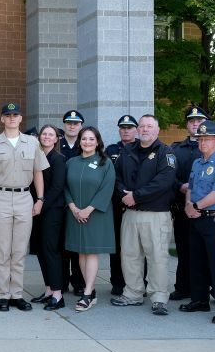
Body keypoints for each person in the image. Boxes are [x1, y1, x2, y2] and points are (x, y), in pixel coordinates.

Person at [0, 103, 48, 312]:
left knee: (18, 250)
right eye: (7, 115)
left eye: (15, 115)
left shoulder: (32, 143)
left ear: (20, 118)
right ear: (2, 119)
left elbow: (38, 172)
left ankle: (16, 294)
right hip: (0, 197)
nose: (11, 118)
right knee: (2, 249)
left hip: (24, 197)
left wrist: (40, 199)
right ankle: (3, 295)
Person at [111, 114, 177, 316]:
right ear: (138, 130)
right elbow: (115, 176)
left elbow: (164, 181)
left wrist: (136, 196)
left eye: (150, 126)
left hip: (156, 214)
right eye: (142, 126)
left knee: (157, 257)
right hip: (130, 213)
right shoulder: (127, 151)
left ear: (157, 130)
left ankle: (159, 297)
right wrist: (124, 195)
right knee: (129, 256)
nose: (145, 129)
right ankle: (133, 294)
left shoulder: (166, 153)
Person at [180, 120, 215, 324]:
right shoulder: (197, 163)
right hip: (196, 218)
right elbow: (191, 188)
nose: (203, 143)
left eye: (207, 139)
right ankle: (200, 299)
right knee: (197, 260)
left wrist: (195, 207)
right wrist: (189, 205)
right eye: (200, 139)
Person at [64, 126, 116, 312]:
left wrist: (88, 209)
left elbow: (107, 188)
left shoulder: (105, 162)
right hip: (75, 214)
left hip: (95, 215)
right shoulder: (71, 162)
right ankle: (90, 290)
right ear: (79, 141)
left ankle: (86, 294)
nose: (87, 142)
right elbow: (65, 187)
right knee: (81, 252)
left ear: (98, 142)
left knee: (91, 252)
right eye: (84, 139)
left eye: (91, 139)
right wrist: (73, 208)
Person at [170, 106, 209, 301]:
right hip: (181, 209)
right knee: (183, 250)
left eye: (199, 120)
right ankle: (183, 287)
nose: (196, 124)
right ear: (187, 124)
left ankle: (204, 289)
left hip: (207, 209)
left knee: (205, 250)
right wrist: (181, 187)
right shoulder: (175, 149)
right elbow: (168, 176)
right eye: (192, 121)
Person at [30, 124, 67, 310]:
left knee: (51, 251)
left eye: (50, 134)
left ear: (56, 139)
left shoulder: (58, 159)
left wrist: (40, 204)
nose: (46, 137)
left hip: (52, 211)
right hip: (37, 211)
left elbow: (57, 187)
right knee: (40, 251)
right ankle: (48, 291)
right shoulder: (36, 156)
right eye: (43, 134)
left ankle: (58, 294)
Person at [104, 115, 138, 296]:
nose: (126, 130)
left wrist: (133, 195)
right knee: (116, 246)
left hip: (137, 203)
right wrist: (123, 194)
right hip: (117, 204)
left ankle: (139, 281)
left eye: (129, 127)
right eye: (123, 127)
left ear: (136, 130)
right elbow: (109, 176)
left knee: (137, 247)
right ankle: (117, 282)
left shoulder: (142, 148)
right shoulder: (111, 150)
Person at [59, 110, 86, 296]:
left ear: (81, 126)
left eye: (76, 123)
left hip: (78, 202)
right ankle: (60, 282)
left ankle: (79, 282)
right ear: (64, 125)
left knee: (78, 245)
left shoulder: (85, 144)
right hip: (59, 201)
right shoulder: (56, 144)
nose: (72, 126)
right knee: (60, 245)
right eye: (69, 122)